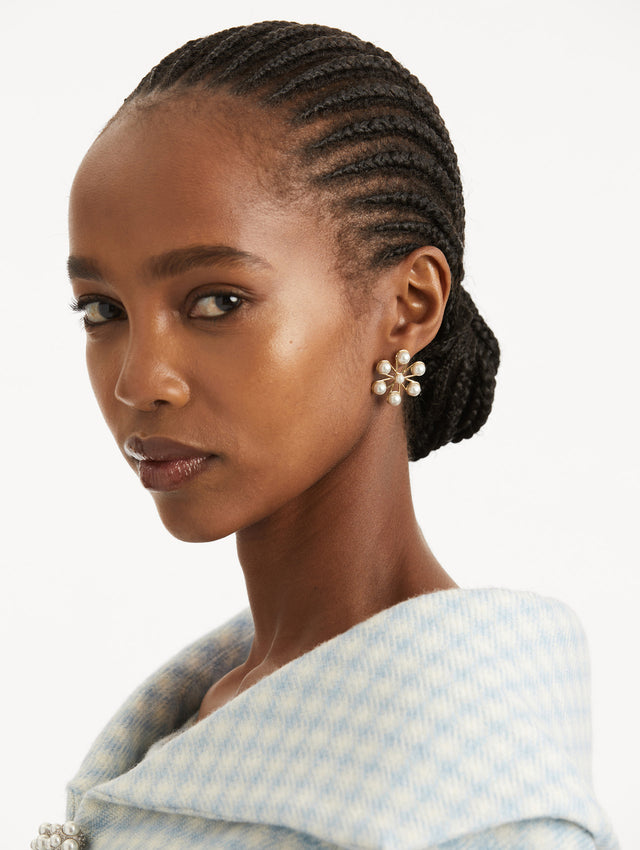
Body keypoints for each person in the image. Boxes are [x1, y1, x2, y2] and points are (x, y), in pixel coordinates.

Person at [31, 20, 618, 850]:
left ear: (408, 306)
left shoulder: (481, 815)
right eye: (103, 311)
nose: (139, 381)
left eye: (217, 302)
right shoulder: (214, 716)